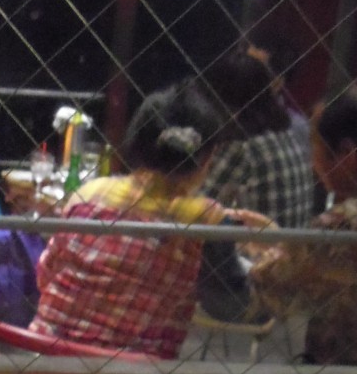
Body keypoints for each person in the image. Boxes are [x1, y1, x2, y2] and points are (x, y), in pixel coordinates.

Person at [29, 81, 270, 358]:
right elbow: (228, 307)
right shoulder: (205, 220)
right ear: (207, 159)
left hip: (45, 364)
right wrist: (272, 265)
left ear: (135, 143)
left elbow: (45, 275)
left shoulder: (87, 195)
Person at [248, 82, 357, 367]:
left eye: (316, 146)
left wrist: (254, 248)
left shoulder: (343, 225)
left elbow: (261, 289)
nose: (312, 162)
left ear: (346, 153)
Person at [200, 48, 314, 229]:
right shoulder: (285, 132)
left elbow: (199, 207)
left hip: (259, 246)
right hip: (288, 242)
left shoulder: (242, 146)